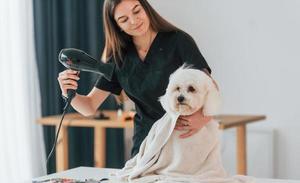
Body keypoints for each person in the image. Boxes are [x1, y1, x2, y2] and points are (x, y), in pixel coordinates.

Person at [58, 0, 214, 157]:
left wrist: (203, 117)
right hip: (146, 143)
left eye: (137, 11)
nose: (134, 21)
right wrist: (67, 92)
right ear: (117, 26)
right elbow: (89, 106)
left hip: (183, 138)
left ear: (145, 8)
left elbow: (210, 86)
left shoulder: (178, 41)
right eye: (124, 19)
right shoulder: (119, 58)